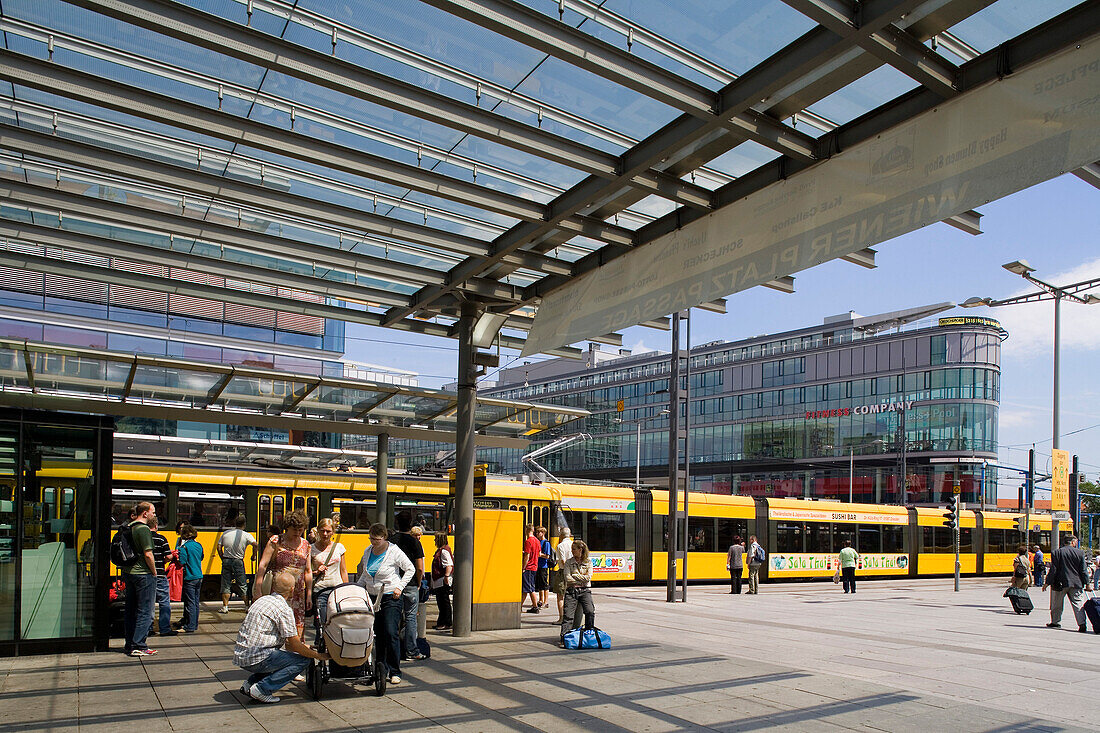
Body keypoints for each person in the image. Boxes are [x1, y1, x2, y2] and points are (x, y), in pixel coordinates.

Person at [234, 571, 329, 704]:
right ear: (292, 589)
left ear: (273, 586)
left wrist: (307, 647)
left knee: (280, 658)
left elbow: (289, 644)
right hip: (258, 657)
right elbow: (294, 644)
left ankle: (250, 684)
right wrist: (317, 655)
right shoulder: (284, 609)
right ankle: (262, 689)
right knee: (303, 661)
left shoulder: (262, 600)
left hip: (242, 654)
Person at [357, 523, 415, 685]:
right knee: (377, 634)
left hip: (390, 596)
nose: (373, 542)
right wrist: (356, 589)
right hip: (372, 597)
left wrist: (399, 587)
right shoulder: (368, 552)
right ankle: (379, 669)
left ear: (384, 537)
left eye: (376, 539)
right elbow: (365, 575)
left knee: (390, 632)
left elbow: (410, 569)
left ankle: (395, 670)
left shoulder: (394, 551)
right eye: (371, 538)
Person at [254, 510, 313, 638]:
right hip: (278, 592)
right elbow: (263, 565)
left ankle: (296, 654)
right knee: (276, 627)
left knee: (296, 629)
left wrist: (309, 594)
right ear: (287, 527)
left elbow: (308, 571)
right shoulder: (276, 541)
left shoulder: (306, 545)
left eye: (300, 529)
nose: (297, 533)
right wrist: (258, 588)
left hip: (298, 594)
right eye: (294, 530)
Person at [122, 501, 159, 657]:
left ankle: (130, 643)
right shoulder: (143, 529)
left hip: (129, 572)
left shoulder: (130, 527)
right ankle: (139, 645)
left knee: (131, 610)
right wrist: (154, 572)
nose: (154, 515)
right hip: (143, 574)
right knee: (145, 610)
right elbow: (148, 554)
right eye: (153, 512)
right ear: (145, 513)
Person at [391, 511, 426, 661]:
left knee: (394, 618)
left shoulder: (391, 541)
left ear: (397, 523)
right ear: (411, 523)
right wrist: (418, 582)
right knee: (411, 617)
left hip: (394, 585)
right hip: (411, 584)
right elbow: (419, 567)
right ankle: (412, 651)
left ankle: (394, 650)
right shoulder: (414, 542)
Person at [1043, 534, 1090, 632]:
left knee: (1057, 604)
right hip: (1076, 583)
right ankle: (1082, 624)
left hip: (1060, 584)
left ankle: (1055, 622)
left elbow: (1053, 570)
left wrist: (1047, 583)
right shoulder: (1080, 553)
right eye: (1076, 542)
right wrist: (1087, 584)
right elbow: (1083, 570)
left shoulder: (1057, 552)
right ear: (1072, 542)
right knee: (1078, 604)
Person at [309, 517, 348, 633]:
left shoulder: (339, 547)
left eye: (328, 531)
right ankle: (320, 646)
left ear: (333, 532)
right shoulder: (311, 549)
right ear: (318, 531)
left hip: (337, 589)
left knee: (337, 622)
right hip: (320, 590)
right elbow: (306, 572)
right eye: (322, 530)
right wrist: (316, 571)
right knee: (323, 623)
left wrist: (346, 589)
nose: (325, 534)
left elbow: (343, 570)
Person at [218, 516, 258, 614]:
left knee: (226, 584)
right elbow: (255, 544)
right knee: (242, 583)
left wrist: (222, 557)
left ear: (235, 524)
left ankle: (225, 607)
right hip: (238, 561)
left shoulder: (226, 533)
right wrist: (253, 555)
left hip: (226, 560)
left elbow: (219, 547)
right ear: (244, 524)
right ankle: (246, 606)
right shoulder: (246, 535)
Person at [559, 540, 594, 646]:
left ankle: (589, 635)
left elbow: (588, 578)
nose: (572, 551)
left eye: (574, 549)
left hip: (585, 591)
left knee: (590, 611)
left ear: (580, 550)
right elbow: (567, 578)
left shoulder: (588, 562)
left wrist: (575, 575)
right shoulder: (569, 562)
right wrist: (581, 579)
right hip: (571, 591)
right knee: (568, 616)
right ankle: (564, 638)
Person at [148, 516, 176, 637]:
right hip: (160, 573)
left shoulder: (144, 538)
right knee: (164, 601)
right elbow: (169, 556)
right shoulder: (161, 538)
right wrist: (162, 561)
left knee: (149, 602)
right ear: (156, 525)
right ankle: (164, 628)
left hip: (147, 574)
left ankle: (149, 628)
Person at [177, 524, 204, 633]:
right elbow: (201, 557)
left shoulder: (184, 547)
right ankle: (195, 623)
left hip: (189, 576)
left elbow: (182, 562)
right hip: (199, 576)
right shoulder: (199, 545)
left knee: (190, 602)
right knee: (196, 601)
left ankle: (190, 626)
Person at [430, 532, 453, 630]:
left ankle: (446, 623)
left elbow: (449, 565)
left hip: (442, 581)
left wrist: (446, 576)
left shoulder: (444, 551)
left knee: (444, 602)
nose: (435, 540)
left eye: (436, 539)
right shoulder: (442, 550)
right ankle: (442, 622)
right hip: (440, 580)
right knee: (441, 602)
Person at [410, 525, 429, 643]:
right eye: (417, 535)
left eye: (420, 535)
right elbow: (420, 567)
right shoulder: (416, 546)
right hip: (416, 579)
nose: (419, 537)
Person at [553, 527, 575, 624]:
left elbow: (562, 560)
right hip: (574, 572)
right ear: (569, 535)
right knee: (571, 596)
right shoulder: (573, 545)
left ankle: (562, 618)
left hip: (563, 572)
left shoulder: (560, 546)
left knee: (560, 596)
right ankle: (571, 617)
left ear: (561, 535)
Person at [522, 523, 540, 613]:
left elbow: (527, 555)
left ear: (527, 530)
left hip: (529, 567)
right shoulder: (537, 541)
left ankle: (535, 607)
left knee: (529, 588)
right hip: (535, 566)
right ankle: (522, 606)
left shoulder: (528, 541)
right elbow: (538, 554)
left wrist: (523, 567)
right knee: (527, 588)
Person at [536, 526, 552, 609]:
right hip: (538, 565)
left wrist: (539, 554)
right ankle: (540, 600)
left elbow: (547, 556)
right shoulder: (539, 542)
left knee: (544, 584)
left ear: (543, 533)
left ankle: (546, 602)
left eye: (539, 532)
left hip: (543, 566)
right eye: (537, 532)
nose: (537, 534)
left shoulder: (546, 543)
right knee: (540, 584)